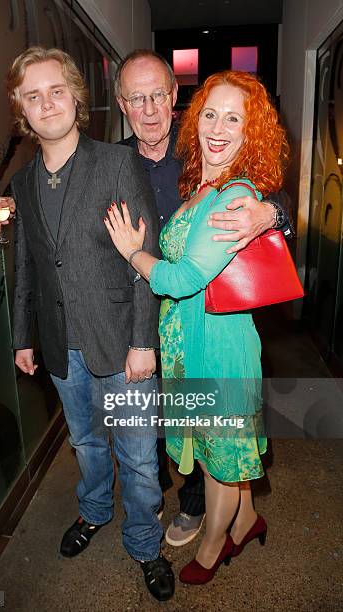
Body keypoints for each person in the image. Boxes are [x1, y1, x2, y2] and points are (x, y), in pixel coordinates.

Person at [0, 47, 174, 602]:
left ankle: (144, 544)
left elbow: (147, 255)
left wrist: (144, 340)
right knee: (87, 444)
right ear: (20, 107)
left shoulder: (118, 164)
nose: (47, 103)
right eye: (33, 94)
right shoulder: (20, 184)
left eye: (56, 90)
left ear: (76, 97)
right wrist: (23, 336)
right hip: (62, 346)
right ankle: (93, 512)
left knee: (139, 456)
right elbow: (26, 268)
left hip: (122, 345)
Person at [104, 69, 289, 585]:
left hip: (216, 348)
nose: (219, 126)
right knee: (217, 453)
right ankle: (248, 521)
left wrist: (133, 253)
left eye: (235, 118)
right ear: (195, 118)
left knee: (219, 463)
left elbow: (183, 279)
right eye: (211, 113)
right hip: (189, 345)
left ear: (251, 133)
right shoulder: (201, 183)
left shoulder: (234, 195)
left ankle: (213, 548)